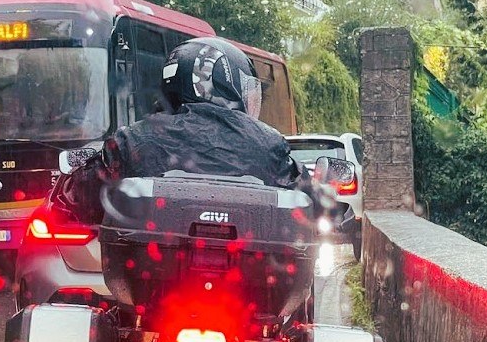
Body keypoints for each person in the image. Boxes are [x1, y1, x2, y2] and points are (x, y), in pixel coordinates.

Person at [55, 37, 310, 224]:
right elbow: (310, 205)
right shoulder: (268, 143)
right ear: (224, 82)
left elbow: (75, 201)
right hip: (248, 286)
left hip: (150, 283)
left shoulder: (132, 140)